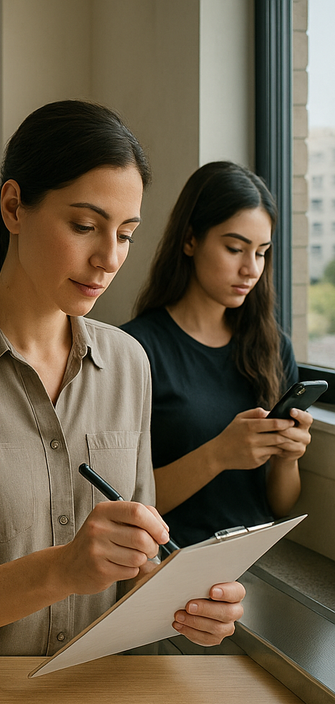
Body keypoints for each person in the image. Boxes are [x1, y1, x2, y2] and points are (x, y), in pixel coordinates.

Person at [0, 99, 246, 657]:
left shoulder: (129, 363)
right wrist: (63, 569)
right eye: (85, 226)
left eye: (125, 234)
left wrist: (184, 601)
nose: (109, 258)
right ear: (14, 207)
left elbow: (138, 564)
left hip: (93, 695)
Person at [121, 162, 312, 546]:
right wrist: (219, 454)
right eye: (235, 248)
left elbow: (279, 506)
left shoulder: (273, 348)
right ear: (190, 240)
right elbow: (125, 501)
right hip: (172, 561)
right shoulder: (136, 349)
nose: (250, 269)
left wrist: (287, 458)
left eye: (261, 252)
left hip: (254, 556)